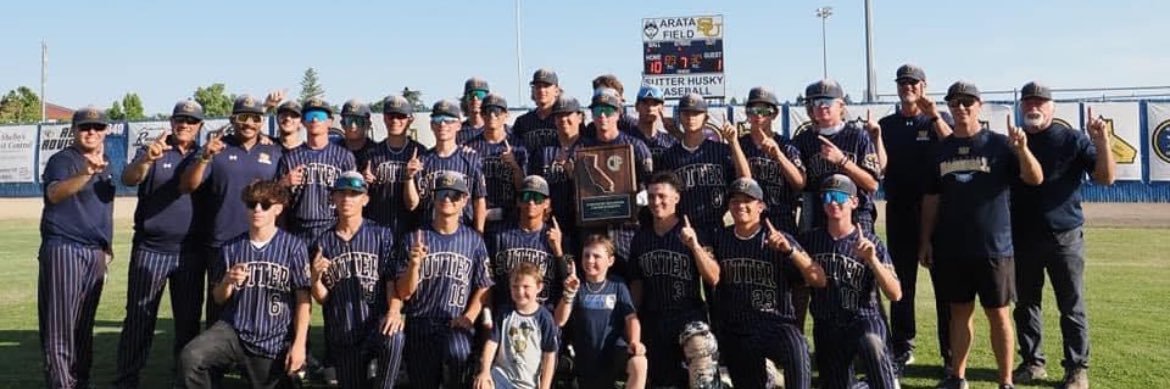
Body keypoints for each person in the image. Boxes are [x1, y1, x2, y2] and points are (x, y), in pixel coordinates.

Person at [920, 81, 1043, 389]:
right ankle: (958, 377)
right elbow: (932, 199)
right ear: (948, 106)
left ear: (979, 104)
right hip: (952, 247)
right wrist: (925, 240)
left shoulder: (1000, 145)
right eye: (955, 102)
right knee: (958, 314)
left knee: (999, 315)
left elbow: (1034, 178)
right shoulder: (941, 150)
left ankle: (1005, 381)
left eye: (967, 102)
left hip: (993, 246)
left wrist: (1023, 149)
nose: (961, 107)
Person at [1010, 82, 1114, 389]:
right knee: (1026, 304)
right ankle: (1032, 363)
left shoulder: (1072, 139)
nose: (1033, 107)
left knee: (1071, 305)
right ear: (1021, 107)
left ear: (1052, 107)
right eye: (1028, 102)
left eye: (1040, 102)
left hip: (1064, 236)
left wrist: (1103, 141)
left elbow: (1106, 178)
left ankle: (1077, 369)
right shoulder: (1014, 142)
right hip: (1023, 236)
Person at [178, 180, 311, 389]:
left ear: (278, 209)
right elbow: (218, 297)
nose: (257, 209)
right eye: (252, 204)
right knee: (192, 356)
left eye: (265, 205)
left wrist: (300, 344)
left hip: (273, 337)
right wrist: (227, 281)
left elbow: (303, 300)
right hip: (234, 331)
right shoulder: (231, 248)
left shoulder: (294, 247)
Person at [114, 101, 206, 388]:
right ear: (171, 121)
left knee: (188, 322)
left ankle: (183, 378)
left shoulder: (206, 154)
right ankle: (127, 379)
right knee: (139, 318)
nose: (185, 125)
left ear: (200, 126)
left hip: (190, 251)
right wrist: (146, 160)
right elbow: (129, 178)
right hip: (151, 249)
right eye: (181, 119)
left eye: (192, 121)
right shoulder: (154, 149)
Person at [180, 94, 285, 326]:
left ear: (262, 121)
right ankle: (216, 361)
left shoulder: (275, 151)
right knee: (219, 309)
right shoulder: (218, 148)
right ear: (233, 119)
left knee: (258, 307)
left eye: (255, 118)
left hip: (260, 244)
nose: (249, 123)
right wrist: (205, 157)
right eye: (243, 117)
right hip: (221, 243)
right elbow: (188, 186)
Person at [712, 178, 825, 389]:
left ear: (761, 206)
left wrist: (790, 252)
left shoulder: (778, 238)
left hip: (776, 324)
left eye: (748, 201)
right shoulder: (721, 239)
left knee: (797, 345)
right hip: (739, 328)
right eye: (735, 201)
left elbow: (818, 279)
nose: (740, 206)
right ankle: (770, 377)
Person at [878, 64, 954, 371]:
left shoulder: (938, 120)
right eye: (903, 82)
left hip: (938, 213)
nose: (907, 87)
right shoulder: (886, 124)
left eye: (913, 82)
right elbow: (880, 166)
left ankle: (949, 353)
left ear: (924, 85)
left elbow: (953, 145)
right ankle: (902, 346)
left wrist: (934, 114)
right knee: (902, 285)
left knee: (945, 288)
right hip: (900, 211)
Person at [800, 174, 902, 389]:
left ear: (854, 202)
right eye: (827, 197)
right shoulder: (811, 240)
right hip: (827, 324)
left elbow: (895, 294)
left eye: (839, 196)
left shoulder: (871, 242)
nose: (833, 202)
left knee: (872, 343)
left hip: (863, 318)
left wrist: (873, 260)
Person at [38, 106, 115, 389]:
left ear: (106, 130)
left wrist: (106, 247)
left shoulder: (106, 161)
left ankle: (80, 381)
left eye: (97, 127)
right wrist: (85, 174)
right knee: (61, 325)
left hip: (93, 251)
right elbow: (54, 194)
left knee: (83, 325)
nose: (91, 131)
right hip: (65, 247)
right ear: (74, 130)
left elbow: (103, 209)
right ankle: (62, 384)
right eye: (85, 127)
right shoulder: (63, 160)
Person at [309, 171, 406, 388]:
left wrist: (393, 310)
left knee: (395, 337)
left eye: (354, 194)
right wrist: (315, 277)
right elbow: (322, 297)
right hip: (343, 330)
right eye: (341, 193)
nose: (347, 199)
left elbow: (391, 280)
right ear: (332, 198)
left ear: (365, 199)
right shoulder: (323, 241)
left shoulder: (381, 234)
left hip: (375, 325)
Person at [398, 172, 494, 387]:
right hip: (420, 322)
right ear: (433, 197)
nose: (447, 199)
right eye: (442, 193)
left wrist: (469, 316)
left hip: (455, 322)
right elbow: (403, 293)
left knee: (458, 354)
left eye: (454, 195)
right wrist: (414, 266)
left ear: (464, 200)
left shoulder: (473, 241)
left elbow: (484, 285)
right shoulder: (413, 239)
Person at [627, 172, 722, 388]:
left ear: (676, 198)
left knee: (699, 346)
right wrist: (633, 319)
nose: (656, 202)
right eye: (651, 197)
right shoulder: (641, 238)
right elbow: (637, 284)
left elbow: (714, 277)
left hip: (687, 315)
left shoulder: (692, 233)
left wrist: (695, 246)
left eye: (662, 196)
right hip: (654, 319)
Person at [571, 89, 655, 272]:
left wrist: (633, 201)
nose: (602, 116)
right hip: (593, 229)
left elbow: (652, 186)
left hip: (628, 230)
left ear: (618, 114)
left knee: (632, 278)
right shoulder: (581, 148)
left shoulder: (636, 146)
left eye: (608, 111)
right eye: (597, 111)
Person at [554, 235, 647, 389]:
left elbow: (631, 318)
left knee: (639, 362)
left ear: (610, 261)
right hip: (586, 357)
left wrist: (635, 341)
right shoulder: (578, 285)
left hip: (614, 354)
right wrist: (569, 293)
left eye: (596, 256)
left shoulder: (617, 285)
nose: (590, 260)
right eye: (586, 256)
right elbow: (559, 320)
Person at [654, 92, 751, 238]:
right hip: (683, 228)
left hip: (717, 227)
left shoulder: (720, 151)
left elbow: (745, 181)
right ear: (679, 117)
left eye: (696, 113)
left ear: (705, 118)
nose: (691, 117)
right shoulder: (669, 156)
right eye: (686, 113)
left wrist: (734, 143)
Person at [791, 79, 881, 233]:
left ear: (841, 106)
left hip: (857, 216)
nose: (822, 106)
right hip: (820, 218)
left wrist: (842, 161)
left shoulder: (858, 137)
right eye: (816, 101)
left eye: (827, 100)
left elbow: (872, 184)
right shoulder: (803, 141)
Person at [277, 97, 358, 244]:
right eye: (309, 116)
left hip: (332, 228)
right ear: (303, 121)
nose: (314, 120)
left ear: (329, 122)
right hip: (298, 230)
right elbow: (279, 202)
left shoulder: (344, 157)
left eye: (320, 116)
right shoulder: (289, 158)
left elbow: (354, 198)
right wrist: (283, 183)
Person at [404, 99, 488, 232]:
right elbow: (412, 205)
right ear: (432, 125)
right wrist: (408, 177)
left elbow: (479, 200)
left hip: (463, 233)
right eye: (438, 120)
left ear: (459, 125)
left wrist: (479, 232)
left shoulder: (471, 159)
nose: (443, 124)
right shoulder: (422, 160)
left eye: (449, 120)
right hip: (429, 233)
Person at [486, 176, 568, 311]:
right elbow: (486, 283)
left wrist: (558, 251)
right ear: (518, 201)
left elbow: (569, 282)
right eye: (526, 196)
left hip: (543, 317)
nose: (531, 202)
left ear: (546, 203)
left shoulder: (556, 238)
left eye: (537, 198)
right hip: (506, 317)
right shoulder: (499, 236)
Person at [474, 263, 560, 389]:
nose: (520, 292)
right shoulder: (504, 313)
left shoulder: (544, 318)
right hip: (501, 377)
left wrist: (545, 386)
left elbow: (549, 355)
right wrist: (485, 371)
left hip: (527, 383)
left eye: (526, 287)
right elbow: (492, 343)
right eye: (515, 287)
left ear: (539, 287)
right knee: (483, 384)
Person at [738, 87, 805, 234]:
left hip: (781, 217)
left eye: (764, 110)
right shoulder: (739, 144)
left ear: (774, 114)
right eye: (753, 110)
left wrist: (778, 155)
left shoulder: (786, 145)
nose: (758, 115)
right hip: (750, 218)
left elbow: (799, 182)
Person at [363, 95, 428, 235]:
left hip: (411, 228)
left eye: (401, 117)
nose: (395, 121)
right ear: (384, 118)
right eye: (391, 116)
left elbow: (416, 203)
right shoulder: (373, 153)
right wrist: (366, 183)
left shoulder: (420, 153)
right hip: (378, 228)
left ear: (410, 120)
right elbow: (363, 198)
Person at [464, 94, 528, 234]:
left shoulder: (518, 147)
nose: (492, 115)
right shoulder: (469, 148)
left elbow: (524, 189)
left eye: (497, 111)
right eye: (487, 111)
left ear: (506, 115)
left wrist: (514, 166)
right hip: (476, 218)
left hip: (509, 219)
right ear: (481, 115)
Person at [526, 96, 583, 254]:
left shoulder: (589, 148)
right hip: (551, 224)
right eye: (559, 116)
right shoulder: (543, 152)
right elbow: (533, 191)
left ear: (579, 117)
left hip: (582, 225)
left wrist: (573, 174)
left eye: (568, 114)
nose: (563, 119)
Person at [512, 68, 562, 151]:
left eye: (546, 86)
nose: (542, 90)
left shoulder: (565, 119)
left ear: (556, 90)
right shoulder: (522, 122)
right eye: (538, 86)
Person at [629, 85, 680, 164]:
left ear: (662, 108)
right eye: (645, 103)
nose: (650, 108)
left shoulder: (670, 141)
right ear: (636, 106)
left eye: (655, 104)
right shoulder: (627, 139)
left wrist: (676, 132)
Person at [340, 99, 377, 167]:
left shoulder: (377, 152)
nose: (353, 126)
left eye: (358, 121)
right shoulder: (333, 151)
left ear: (368, 124)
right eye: (349, 121)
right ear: (342, 124)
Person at [458, 77, 491, 145]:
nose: (475, 99)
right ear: (465, 99)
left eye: (480, 95)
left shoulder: (500, 130)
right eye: (471, 95)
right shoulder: (456, 131)